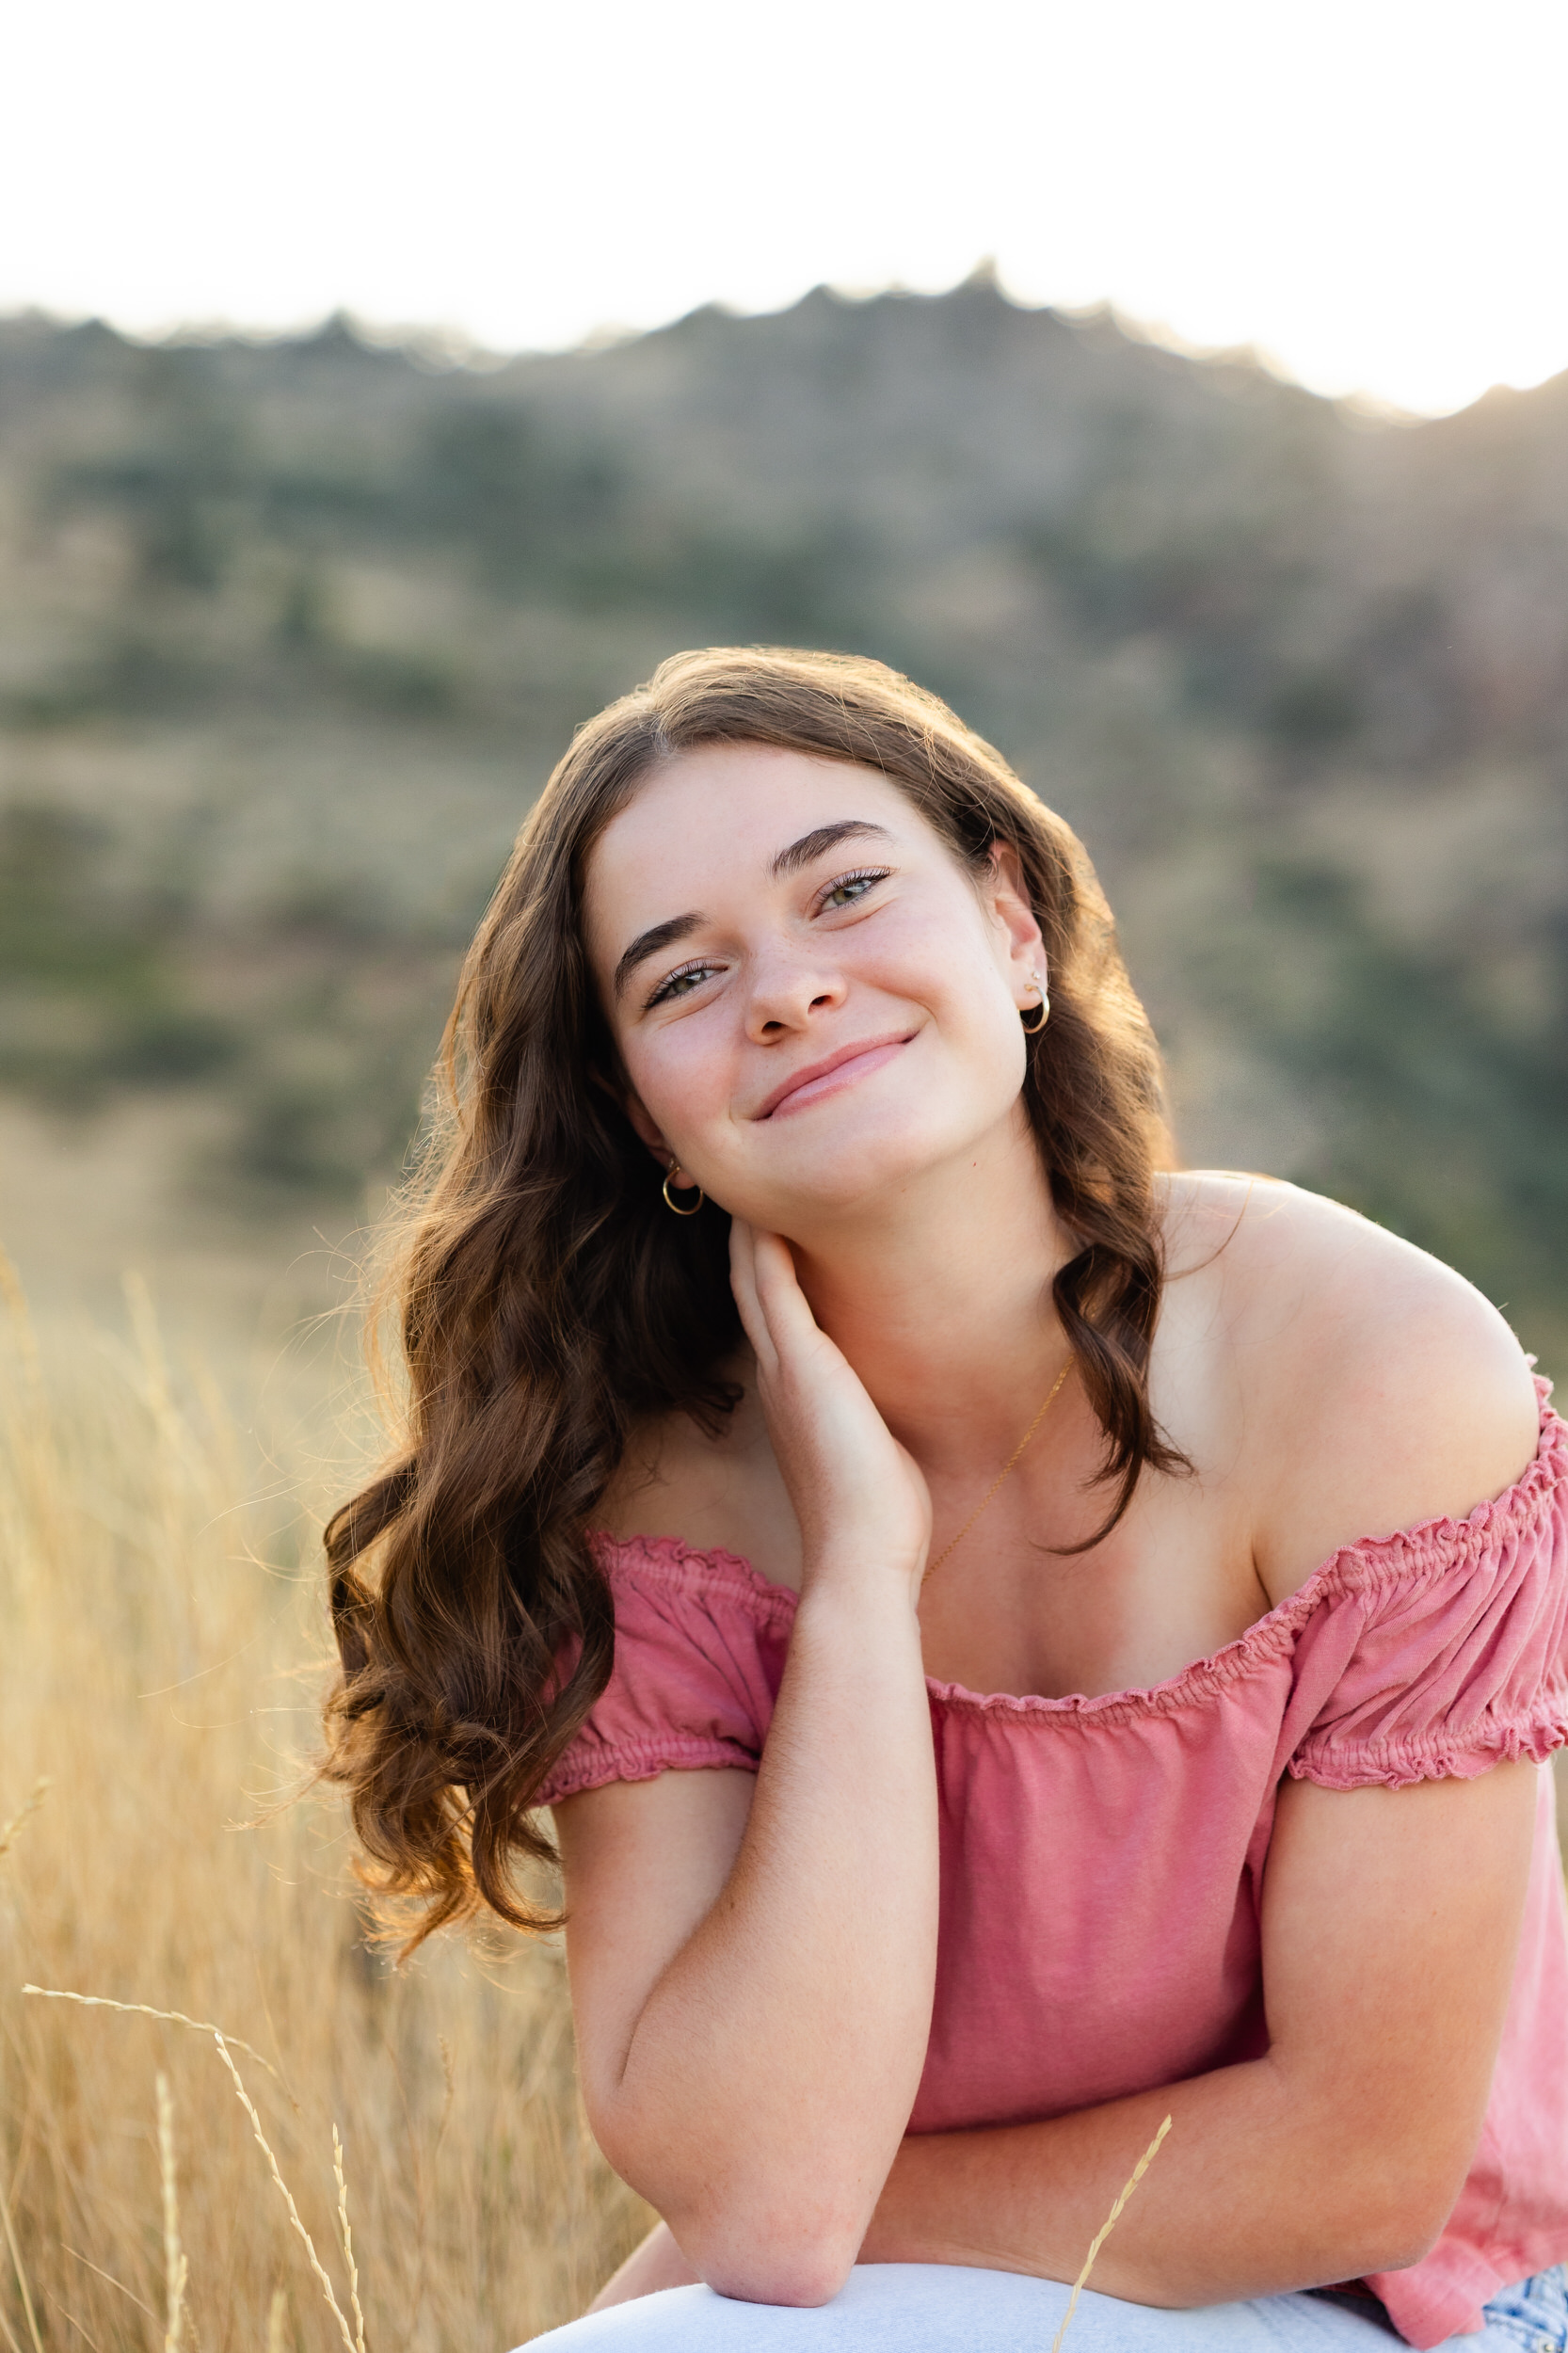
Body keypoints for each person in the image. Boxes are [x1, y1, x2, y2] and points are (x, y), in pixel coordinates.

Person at [323, 648, 1568, 2351]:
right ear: (646, 1118)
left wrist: (793, 2236)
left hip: (1420, 2310)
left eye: (846, 890)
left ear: (1010, 927)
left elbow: (1355, 2168)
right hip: (891, 2298)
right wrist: (857, 1573)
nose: (787, 992)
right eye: (683, 980)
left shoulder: (1368, 1368)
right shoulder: (648, 1500)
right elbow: (757, 2188)